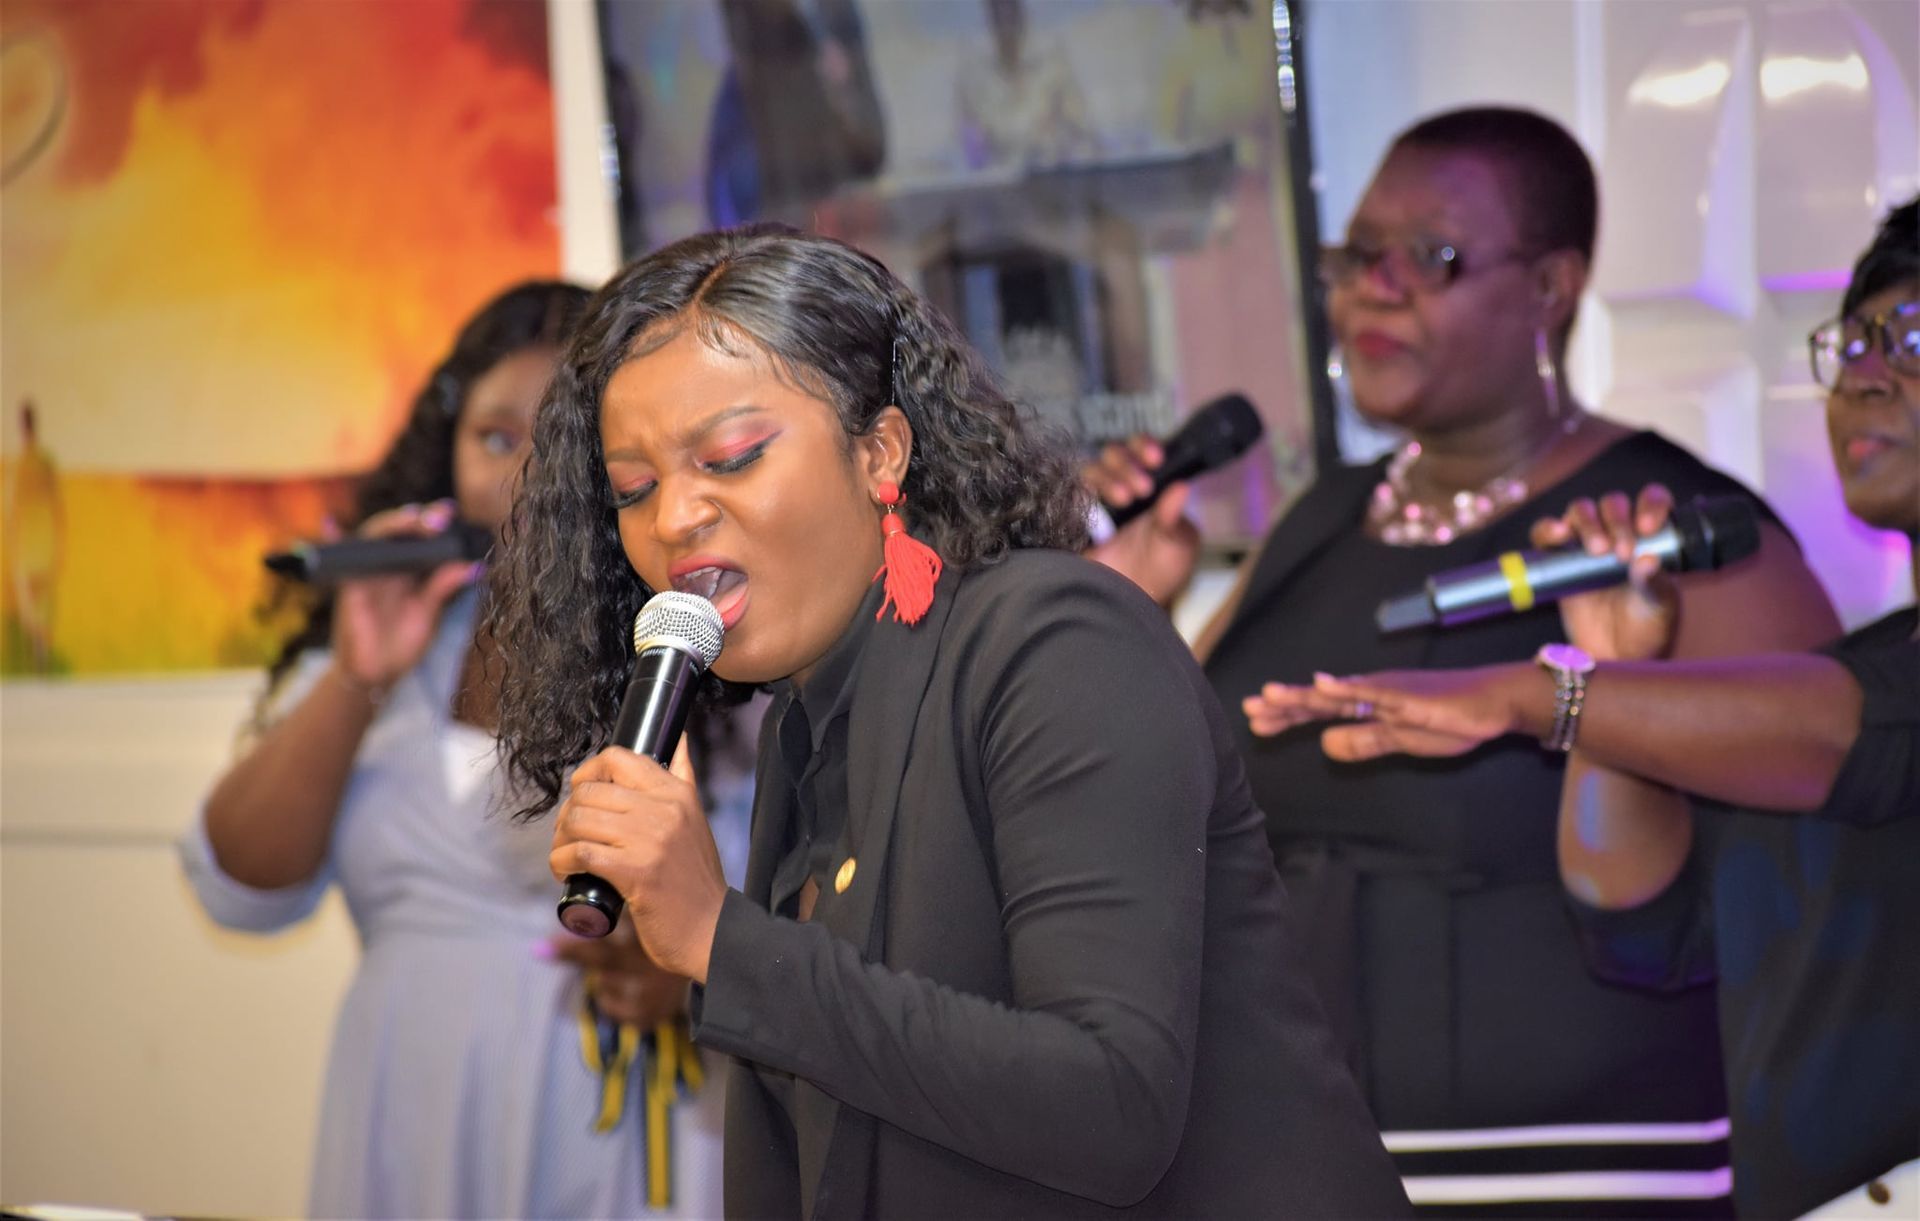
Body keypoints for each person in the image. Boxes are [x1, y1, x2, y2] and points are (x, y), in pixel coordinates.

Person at [488, 224, 1410, 1218]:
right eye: (635, 488)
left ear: (880, 452)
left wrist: (723, 941)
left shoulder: (1057, 643)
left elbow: (1112, 1107)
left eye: (733, 457)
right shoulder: (807, 719)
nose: (674, 520)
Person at [1089, 106, 1842, 1215]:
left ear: (1552, 288)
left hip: (1575, 1164)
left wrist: (1600, 697)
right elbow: (1188, 801)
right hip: (1304, 1153)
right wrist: (1126, 614)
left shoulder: (1679, 535)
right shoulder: (1321, 521)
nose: (1373, 289)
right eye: (1356, 258)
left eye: (1428, 258)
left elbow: (1823, 862)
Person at [1250, 198, 1920, 1220]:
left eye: (1913, 339)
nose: (1868, 372)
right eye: (1858, 339)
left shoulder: (1846, 696)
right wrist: (1611, 682)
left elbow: (1860, 730)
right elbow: (1647, 931)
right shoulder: (1868, 658)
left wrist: (1544, 698)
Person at [182, 281, 729, 1219]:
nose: (522, 477)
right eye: (494, 439)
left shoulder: (692, 657)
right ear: (447, 451)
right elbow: (240, 885)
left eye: (558, 442)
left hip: (619, 1133)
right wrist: (357, 673)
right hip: (410, 1129)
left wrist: (686, 977)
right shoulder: (400, 645)